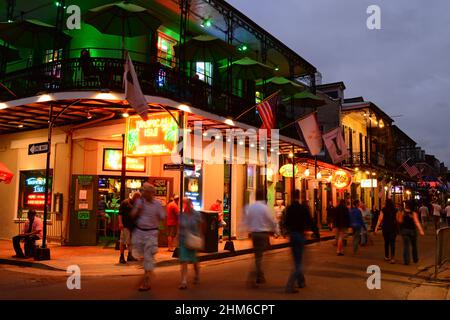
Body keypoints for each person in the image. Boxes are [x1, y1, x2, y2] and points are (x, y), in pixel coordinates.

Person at [130, 183, 166, 291]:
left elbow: (163, 217)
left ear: (151, 193)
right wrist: (138, 210)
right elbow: (132, 215)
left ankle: (146, 281)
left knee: (148, 257)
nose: (143, 193)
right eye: (143, 191)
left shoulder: (158, 204)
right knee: (138, 255)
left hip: (151, 233)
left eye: (145, 191)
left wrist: (159, 223)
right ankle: (149, 271)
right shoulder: (140, 202)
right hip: (139, 232)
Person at [244, 189, 276, 287]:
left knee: (258, 256)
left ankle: (259, 275)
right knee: (263, 256)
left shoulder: (251, 207)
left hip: (254, 234)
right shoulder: (264, 208)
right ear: (263, 197)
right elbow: (271, 220)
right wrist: (275, 230)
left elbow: (247, 219)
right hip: (263, 234)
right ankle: (255, 275)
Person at [284, 190, 313, 293]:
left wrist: (286, 232)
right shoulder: (302, 208)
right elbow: (310, 220)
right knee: (300, 262)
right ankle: (290, 285)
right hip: (300, 235)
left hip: (292, 235)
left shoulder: (289, 208)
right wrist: (316, 233)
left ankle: (301, 281)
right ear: (299, 197)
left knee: (297, 259)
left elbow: (286, 222)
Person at [178, 197, 203, 290]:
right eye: (184, 204)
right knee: (183, 261)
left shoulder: (196, 214)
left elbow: (201, 225)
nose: (185, 206)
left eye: (186, 203)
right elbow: (179, 227)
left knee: (193, 261)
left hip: (192, 240)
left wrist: (200, 236)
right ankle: (184, 281)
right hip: (183, 240)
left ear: (190, 204)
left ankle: (197, 275)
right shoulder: (181, 215)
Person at [397, 200, 425, 265]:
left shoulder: (403, 212)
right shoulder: (414, 213)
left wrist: (399, 216)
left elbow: (400, 221)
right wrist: (421, 230)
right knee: (414, 245)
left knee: (406, 246)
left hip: (404, 231)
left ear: (406, 206)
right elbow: (417, 222)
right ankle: (415, 259)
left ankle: (406, 261)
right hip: (412, 231)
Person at [118, 192, 141, 264]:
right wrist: (120, 223)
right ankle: (121, 257)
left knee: (131, 242)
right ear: (135, 197)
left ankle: (130, 256)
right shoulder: (125, 202)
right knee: (123, 241)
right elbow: (120, 214)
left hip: (133, 226)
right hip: (125, 225)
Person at [375, 199, 398, 264]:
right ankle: (393, 258)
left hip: (385, 227)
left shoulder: (383, 210)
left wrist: (376, 227)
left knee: (386, 242)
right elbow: (397, 219)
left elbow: (380, 219)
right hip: (393, 227)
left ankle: (386, 256)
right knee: (392, 243)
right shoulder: (395, 210)